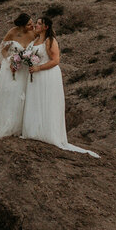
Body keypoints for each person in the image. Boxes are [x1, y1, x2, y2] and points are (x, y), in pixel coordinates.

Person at [21, 16, 98, 157]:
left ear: (46, 27)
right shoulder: (35, 40)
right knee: (35, 101)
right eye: (36, 23)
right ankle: (34, 130)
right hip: (35, 75)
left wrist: (39, 68)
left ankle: (48, 133)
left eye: (39, 24)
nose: (36, 26)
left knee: (47, 102)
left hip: (47, 75)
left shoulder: (50, 41)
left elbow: (56, 60)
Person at [0, 12, 33, 139]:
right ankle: (8, 123)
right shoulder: (12, 32)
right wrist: (10, 61)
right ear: (22, 26)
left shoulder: (33, 33)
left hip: (24, 70)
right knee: (12, 94)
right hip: (12, 69)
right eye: (29, 24)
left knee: (24, 95)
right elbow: (3, 49)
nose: (32, 26)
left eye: (32, 23)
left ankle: (21, 126)